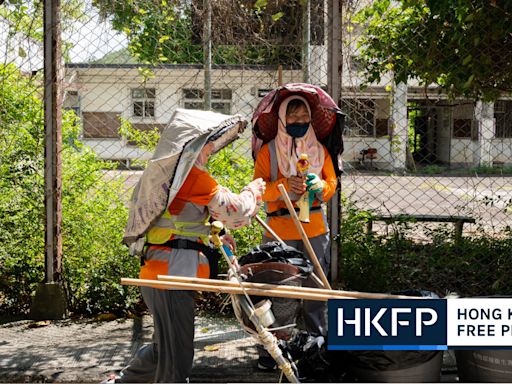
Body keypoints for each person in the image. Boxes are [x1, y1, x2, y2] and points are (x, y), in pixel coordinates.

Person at [104, 126, 265, 383]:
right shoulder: (190, 175)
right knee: (177, 356)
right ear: (194, 147)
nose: (212, 149)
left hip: (163, 271)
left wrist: (216, 233)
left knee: (164, 348)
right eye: (209, 144)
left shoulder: (174, 174)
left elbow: (180, 219)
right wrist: (253, 192)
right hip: (172, 275)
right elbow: (237, 211)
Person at [253, 95, 337, 370]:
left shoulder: (320, 150)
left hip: (314, 227)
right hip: (279, 230)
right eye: (293, 118)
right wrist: (282, 185)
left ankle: (317, 347)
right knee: (281, 292)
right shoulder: (268, 151)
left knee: (316, 290)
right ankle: (275, 352)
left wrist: (319, 186)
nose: (299, 123)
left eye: (304, 119)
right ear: (281, 119)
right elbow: (258, 188)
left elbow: (331, 183)